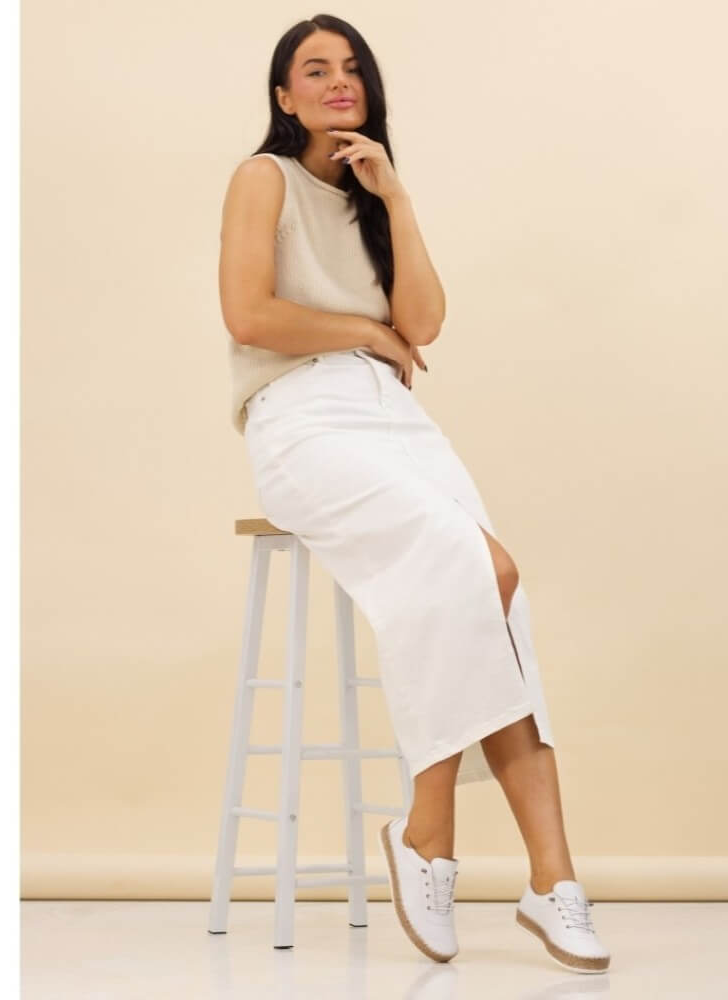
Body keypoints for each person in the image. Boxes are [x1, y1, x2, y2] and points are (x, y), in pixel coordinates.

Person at [218, 14, 610, 974]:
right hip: (301, 418)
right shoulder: (261, 178)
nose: (336, 81)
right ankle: (430, 832)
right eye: (314, 70)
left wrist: (394, 197)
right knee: (488, 568)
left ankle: (546, 877)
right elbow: (248, 314)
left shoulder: (369, 192)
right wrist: (364, 333)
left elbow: (425, 320)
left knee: (492, 601)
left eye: (350, 68)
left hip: (392, 421)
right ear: (284, 96)